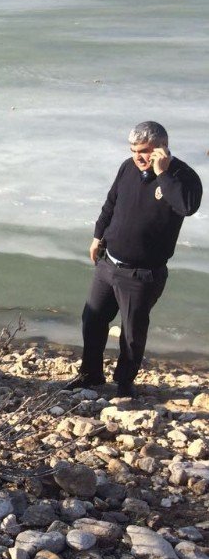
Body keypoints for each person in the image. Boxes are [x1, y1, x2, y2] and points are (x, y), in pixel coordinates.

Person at [68, 121, 202, 396]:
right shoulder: (128, 167)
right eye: (133, 150)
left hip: (143, 274)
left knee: (131, 333)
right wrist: (97, 236)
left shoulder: (183, 176)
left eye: (144, 151)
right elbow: (112, 202)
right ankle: (91, 375)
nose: (137, 157)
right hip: (109, 263)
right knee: (92, 319)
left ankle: (124, 383)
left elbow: (186, 207)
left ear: (162, 148)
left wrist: (162, 174)